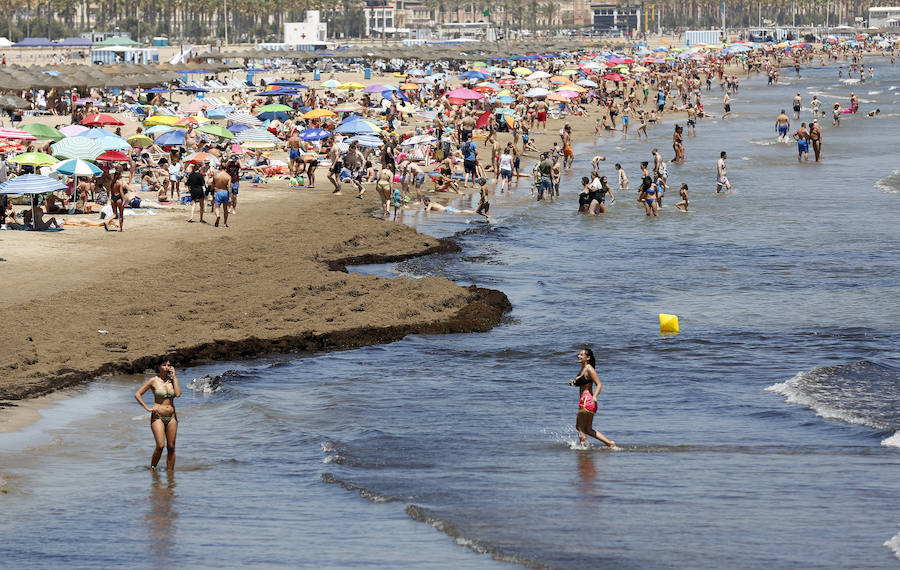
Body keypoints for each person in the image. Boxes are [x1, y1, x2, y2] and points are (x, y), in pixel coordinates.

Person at [134, 360, 181, 471]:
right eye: (164, 365)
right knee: (160, 445)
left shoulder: (172, 380)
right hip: (158, 416)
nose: (167, 367)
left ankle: (170, 474)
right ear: (158, 367)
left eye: (169, 365)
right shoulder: (153, 381)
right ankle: (152, 468)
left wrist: (174, 377)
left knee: (171, 446)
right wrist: (147, 408)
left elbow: (178, 394)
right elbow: (137, 394)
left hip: (172, 416)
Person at [570, 348, 615, 449]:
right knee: (588, 429)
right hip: (588, 401)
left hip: (587, 400)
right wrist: (574, 383)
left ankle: (584, 450)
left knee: (580, 428)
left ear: (588, 358)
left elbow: (599, 384)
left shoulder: (589, 368)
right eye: (578, 354)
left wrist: (594, 397)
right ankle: (609, 444)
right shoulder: (584, 369)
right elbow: (584, 382)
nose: (579, 356)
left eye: (582, 355)